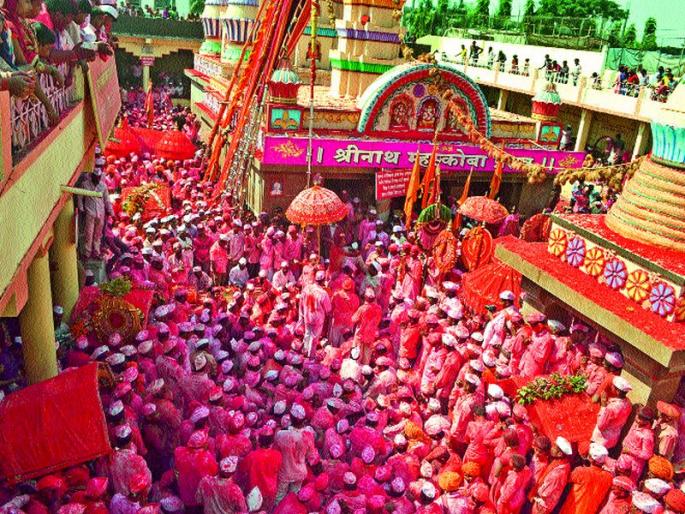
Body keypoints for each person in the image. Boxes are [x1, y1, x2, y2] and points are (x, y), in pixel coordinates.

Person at [559, 443, 613, 514]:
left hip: (571, 510)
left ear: (590, 458)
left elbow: (565, 480)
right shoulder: (609, 477)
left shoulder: (581, 471)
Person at [77, 167, 113, 259]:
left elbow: (107, 200)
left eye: (99, 177)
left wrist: (110, 211)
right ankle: (87, 253)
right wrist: (81, 208)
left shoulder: (103, 186)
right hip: (90, 212)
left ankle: (96, 252)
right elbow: (80, 197)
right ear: (92, 176)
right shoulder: (85, 185)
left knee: (98, 234)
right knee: (88, 233)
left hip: (100, 213)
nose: (97, 179)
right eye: (96, 177)